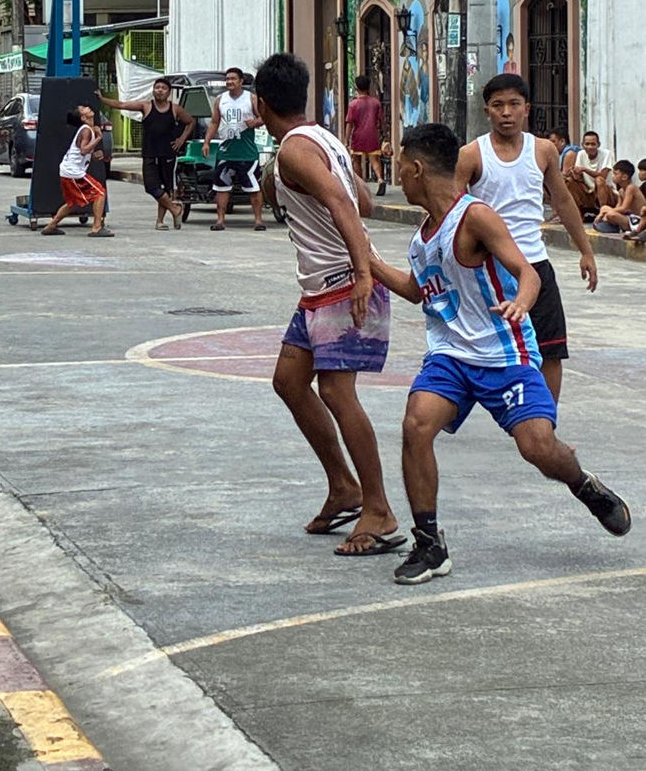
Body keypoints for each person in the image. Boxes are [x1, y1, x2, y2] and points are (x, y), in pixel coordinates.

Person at [369, 122, 630, 586]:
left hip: (506, 354)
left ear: (414, 168)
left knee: (538, 448)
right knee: (416, 425)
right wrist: (366, 261)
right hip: (451, 356)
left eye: (399, 168)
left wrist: (523, 301)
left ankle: (582, 484)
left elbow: (525, 271)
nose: (398, 177)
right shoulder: (422, 237)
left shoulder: (475, 217)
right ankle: (429, 544)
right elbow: (417, 291)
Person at [255, 53, 400, 556]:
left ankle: (378, 509)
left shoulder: (296, 151)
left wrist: (363, 274)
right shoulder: (324, 139)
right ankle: (344, 486)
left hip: (342, 286)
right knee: (289, 381)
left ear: (260, 103)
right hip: (320, 288)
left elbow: (345, 205)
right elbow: (364, 199)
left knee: (338, 394)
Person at [454, 74, 596, 404]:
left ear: (526, 109)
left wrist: (586, 250)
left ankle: (546, 423)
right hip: (490, 268)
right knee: (476, 348)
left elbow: (562, 200)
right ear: (486, 110)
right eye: (498, 105)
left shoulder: (544, 150)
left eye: (514, 104)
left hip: (535, 263)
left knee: (550, 348)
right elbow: (451, 210)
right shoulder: (471, 155)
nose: (506, 112)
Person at [97, 79, 194, 229]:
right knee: (151, 186)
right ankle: (175, 209)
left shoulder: (175, 109)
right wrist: (103, 99)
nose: (160, 90)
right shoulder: (146, 106)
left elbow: (190, 122)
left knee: (166, 187)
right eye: (157, 87)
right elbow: (122, 104)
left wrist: (181, 139)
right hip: (150, 152)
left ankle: (160, 221)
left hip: (168, 153)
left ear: (168, 92)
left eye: (163, 88)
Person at [202, 67, 266, 231]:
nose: (229, 81)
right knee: (222, 187)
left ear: (241, 81)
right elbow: (215, 122)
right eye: (227, 79)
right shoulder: (220, 99)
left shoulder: (251, 98)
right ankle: (220, 220)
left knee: (253, 187)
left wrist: (256, 122)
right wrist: (207, 142)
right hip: (226, 150)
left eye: (233, 79)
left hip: (247, 151)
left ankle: (258, 220)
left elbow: (264, 117)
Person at [40, 106, 113, 238]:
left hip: (67, 170)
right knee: (100, 193)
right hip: (74, 172)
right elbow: (83, 150)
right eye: (84, 109)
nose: (88, 108)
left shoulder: (86, 130)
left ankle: (51, 225)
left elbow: (83, 152)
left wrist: (94, 154)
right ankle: (96, 227)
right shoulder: (86, 130)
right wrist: (98, 137)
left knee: (72, 203)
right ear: (83, 118)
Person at [344, 75, 386, 197]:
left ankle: (361, 185)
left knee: (356, 160)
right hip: (372, 135)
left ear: (356, 88)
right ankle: (380, 179)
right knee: (375, 160)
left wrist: (346, 140)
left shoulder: (353, 104)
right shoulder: (375, 103)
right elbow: (381, 121)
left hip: (358, 136)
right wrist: (384, 134)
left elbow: (349, 124)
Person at [564, 130, 615, 219]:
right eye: (587, 144)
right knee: (570, 181)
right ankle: (578, 215)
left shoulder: (606, 154)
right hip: (589, 192)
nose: (590, 147)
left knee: (599, 180)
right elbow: (579, 178)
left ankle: (603, 213)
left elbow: (603, 175)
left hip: (607, 193)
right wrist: (573, 173)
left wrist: (584, 169)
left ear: (598, 144)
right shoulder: (581, 154)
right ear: (582, 145)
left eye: (593, 144)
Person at [593, 161, 646, 234]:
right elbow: (619, 206)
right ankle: (613, 225)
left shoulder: (631, 188)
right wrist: (604, 212)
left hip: (637, 220)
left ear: (624, 177)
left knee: (611, 214)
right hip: (628, 216)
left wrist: (604, 214)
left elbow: (624, 208)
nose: (612, 176)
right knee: (604, 208)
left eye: (615, 174)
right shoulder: (621, 191)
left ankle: (616, 227)